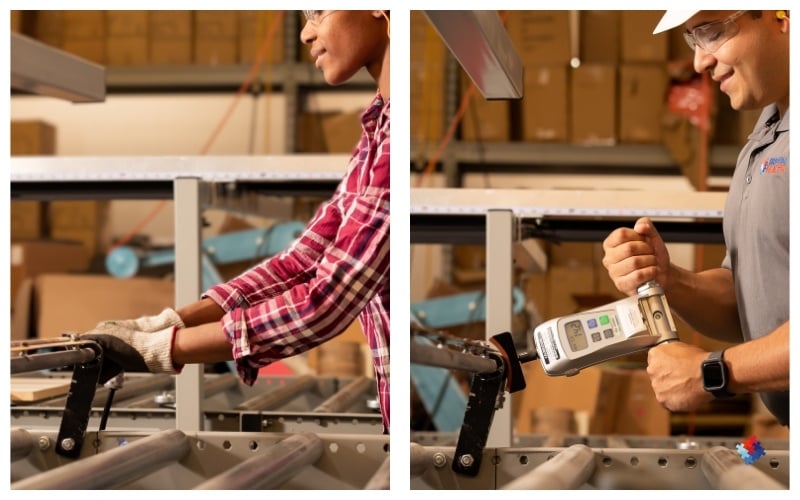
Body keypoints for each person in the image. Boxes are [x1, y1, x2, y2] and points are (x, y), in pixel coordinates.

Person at [81, 10, 391, 433]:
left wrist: (161, 350)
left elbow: (324, 303)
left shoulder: (395, 140)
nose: (305, 34)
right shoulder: (377, 131)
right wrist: (169, 324)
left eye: (318, 11)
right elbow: (304, 261)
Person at [602, 10, 789, 426]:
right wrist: (671, 279)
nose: (700, 62)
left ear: (783, 17)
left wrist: (712, 372)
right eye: (694, 40)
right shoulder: (768, 132)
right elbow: (749, 302)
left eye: (712, 33)